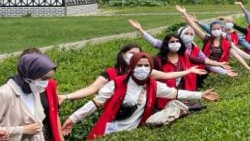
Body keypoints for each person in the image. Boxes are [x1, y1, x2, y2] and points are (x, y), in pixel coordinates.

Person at [62, 53, 219, 140]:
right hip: (109, 131)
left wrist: (201, 95)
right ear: (132, 67)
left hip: (133, 133)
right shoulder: (116, 83)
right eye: (139, 65)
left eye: (146, 66)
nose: (143, 69)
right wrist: (72, 119)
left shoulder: (153, 85)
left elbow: (175, 93)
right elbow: (95, 103)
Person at [60, 43, 206, 104]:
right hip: (116, 111)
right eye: (131, 54)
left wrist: (188, 71)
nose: (135, 57)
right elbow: (91, 89)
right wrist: (66, 96)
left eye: (138, 54)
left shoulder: (143, 71)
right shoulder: (112, 73)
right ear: (123, 55)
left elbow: (167, 76)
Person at [0, 53, 56, 141]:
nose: (47, 83)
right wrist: (22, 130)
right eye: (44, 78)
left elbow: (38, 128)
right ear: (31, 74)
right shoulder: (5, 94)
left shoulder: (34, 91)